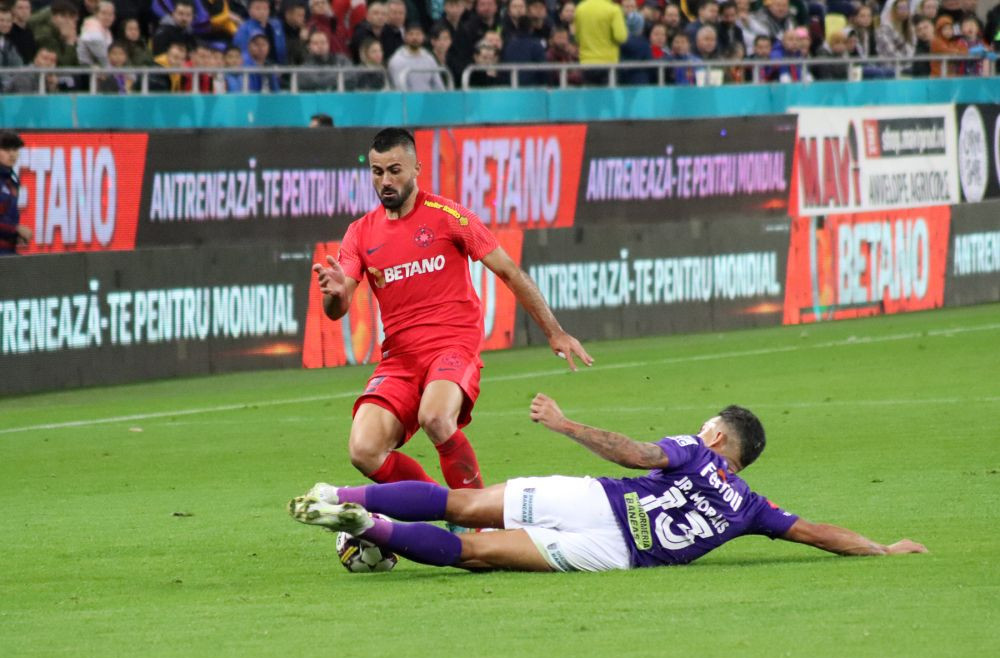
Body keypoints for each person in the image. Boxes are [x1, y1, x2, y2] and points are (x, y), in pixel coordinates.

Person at [289, 394, 928, 571]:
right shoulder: (750, 508)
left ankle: (344, 500)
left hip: (597, 498)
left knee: (463, 506)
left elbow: (634, 453)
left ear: (717, 437)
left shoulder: (691, 453)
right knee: (476, 552)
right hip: (611, 553)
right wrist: (881, 548)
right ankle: (371, 529)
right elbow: (817, 534)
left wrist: (567, 425)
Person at [309, 128, 592, 495]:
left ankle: (480, 521)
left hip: (452, 348)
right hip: (400, 359)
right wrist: (332, 293)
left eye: (395, 170)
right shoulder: (359, 233)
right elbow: (337, 309)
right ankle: (443, 505)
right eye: (377, 172)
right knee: (363, 450)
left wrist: (554, 331)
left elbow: (509, 271)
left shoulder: (449, 216)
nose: (386, 181)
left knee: (435, 417)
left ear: (417, 169)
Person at [573, 0, 627, 84]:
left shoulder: (580, 8)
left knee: (590, 95)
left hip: (586, 62)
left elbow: (577, 37)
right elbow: (620, 37)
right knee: (608, 96)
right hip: (608, 63)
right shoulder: (614, 9)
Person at [388, 22, 446, 90]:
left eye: (418, 34)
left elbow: (438, 85)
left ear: (423, 37)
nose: (415, 37)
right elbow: (398, 87)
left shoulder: (429, 58)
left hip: (428, 99)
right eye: (411, 34)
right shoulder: (397, 60)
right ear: (405, 37)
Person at [0, 131, 31, 256]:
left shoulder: (13, 181)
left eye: (15, 149)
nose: (12, 154)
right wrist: (16, 229)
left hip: (8, 253)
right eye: (6, 149)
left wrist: (15, 235)